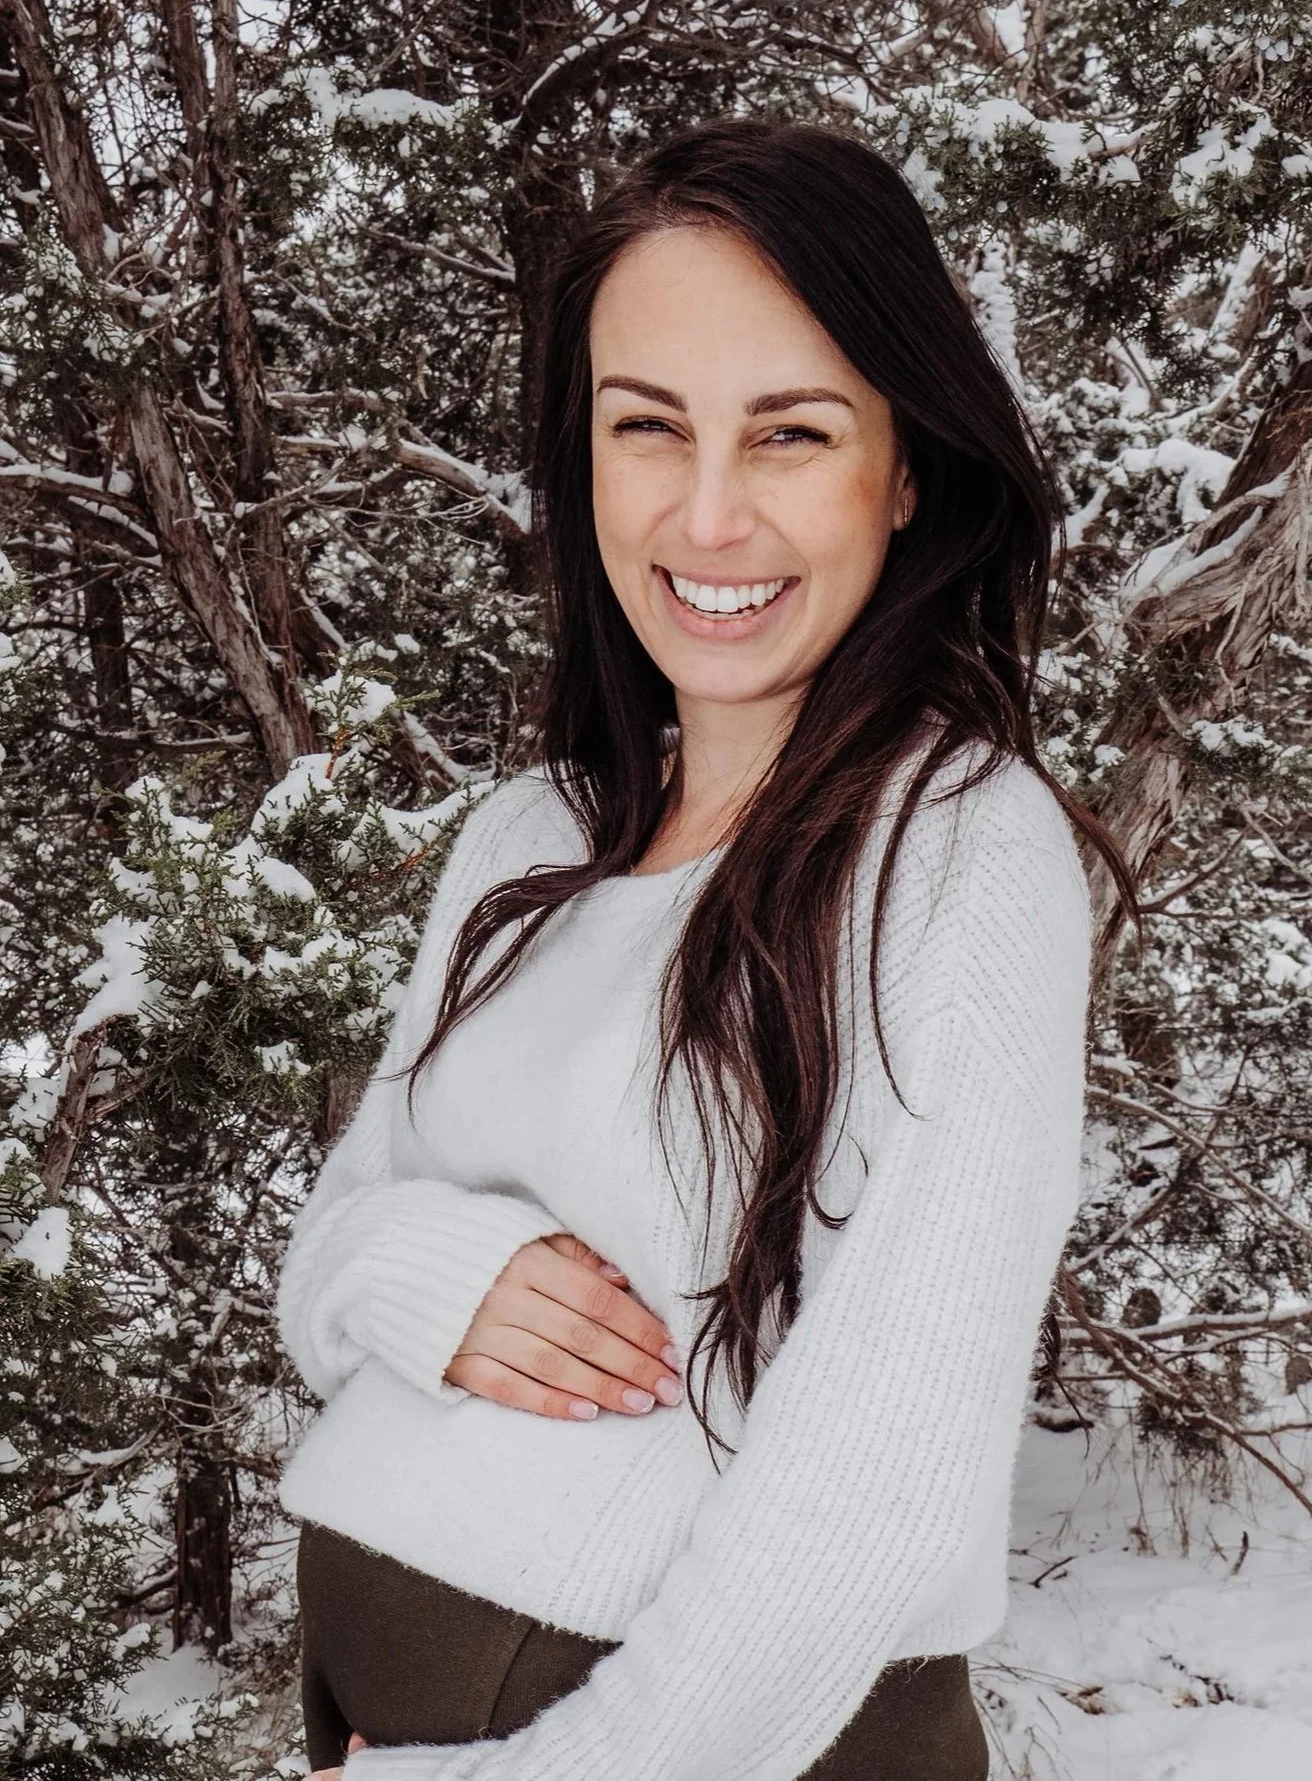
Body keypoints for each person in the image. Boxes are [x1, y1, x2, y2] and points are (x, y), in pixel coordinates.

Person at [274, 115, 1132, 1781]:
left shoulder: (958, 854)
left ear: (908, 466)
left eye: (791, 432)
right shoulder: (530, 833)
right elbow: (325, 1268)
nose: (711, 512)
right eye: (649, 426)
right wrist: (423, 1267)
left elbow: (877, 1482)